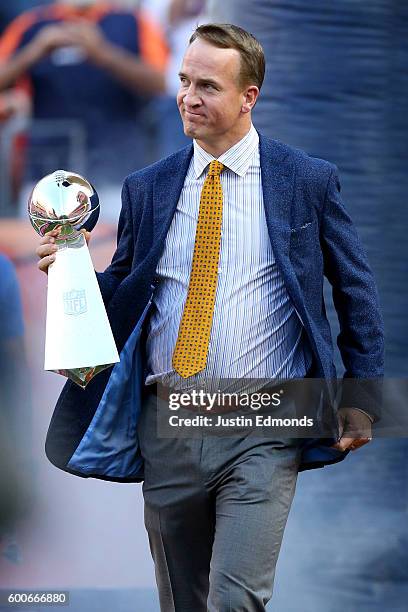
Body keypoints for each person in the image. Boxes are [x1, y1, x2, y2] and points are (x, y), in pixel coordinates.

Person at [36, 23, 384, 612]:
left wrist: (363, 394)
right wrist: (69, 271)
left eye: (207, 86)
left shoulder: (306, 179)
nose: (188, 97)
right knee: (182, 601)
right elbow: (124, 290)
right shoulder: (148, 187)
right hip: (170, 415)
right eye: (183, 81)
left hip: (267, 419)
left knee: (235, 599)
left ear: (249, 96)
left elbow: (355, 288)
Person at [0, 0, 168, 183]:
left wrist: (102, 54)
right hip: (47, 170)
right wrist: (34, 50)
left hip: (117, 167)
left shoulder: (132, 21)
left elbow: (161, 83)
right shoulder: (31, 24)